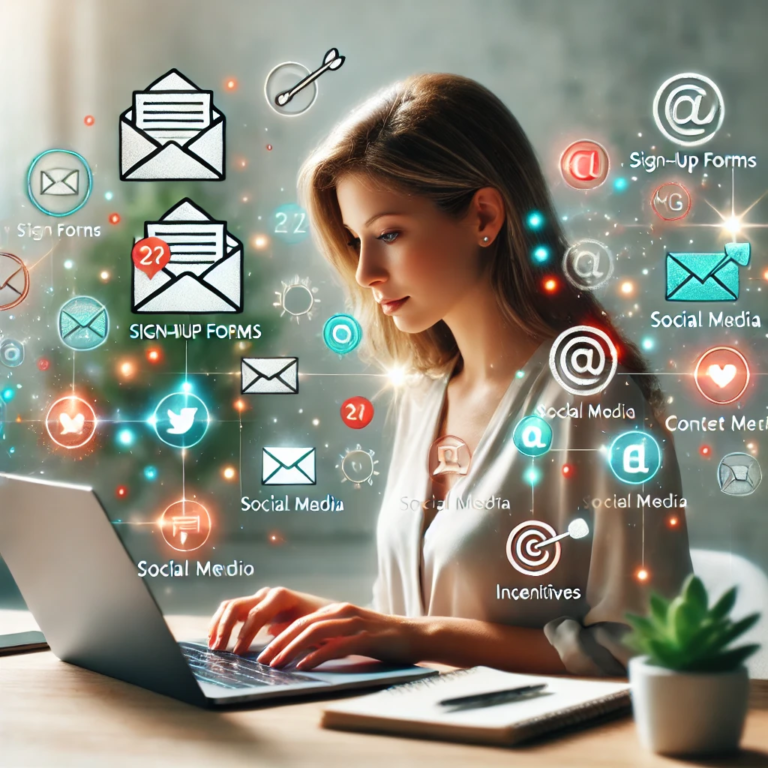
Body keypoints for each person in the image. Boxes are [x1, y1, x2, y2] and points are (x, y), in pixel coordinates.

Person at [208, 74, 692, 675]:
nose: (365, 272)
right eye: (357, 240)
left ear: (483, 215)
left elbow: (646, 648)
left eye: (388, 234)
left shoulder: (597, 398)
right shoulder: (424, 394)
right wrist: (331, 621)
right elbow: (418, 624)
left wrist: (414, 634)